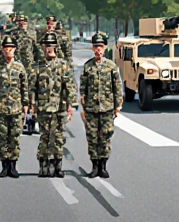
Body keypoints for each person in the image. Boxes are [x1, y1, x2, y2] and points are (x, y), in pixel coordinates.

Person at [80, 33, 122, 179]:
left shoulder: (111, 66)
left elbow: (117, 87)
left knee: (105, 137)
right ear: (93, 48)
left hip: (107, 107)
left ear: (104, 48)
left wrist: (118, 106)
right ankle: (94, 165)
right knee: (92, 138)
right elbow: (83, 88)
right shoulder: (88, 66)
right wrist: (83, 107)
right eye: (96, 47)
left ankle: (103, 166)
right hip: (91, 108)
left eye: (101, 47)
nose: (98, 49)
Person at [33, 32, 75, 177]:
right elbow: (33, 88)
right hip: (43, 107)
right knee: (44, 138)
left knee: (58, 138)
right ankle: (43, 165)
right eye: (46, 45)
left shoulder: (63, 65)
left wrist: (70, 106)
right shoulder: (38, 66)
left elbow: (69, 87)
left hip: (59, 108)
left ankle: (57, 166)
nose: (48, 48)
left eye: (51, 45)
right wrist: (32, 106)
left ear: (56, 47)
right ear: (43, 47)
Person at [0, 35, 29, 178]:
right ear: (2, 50)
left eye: (11, 48)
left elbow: (24, 87)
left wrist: (25, 104)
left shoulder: (20, 68)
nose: (8, 51)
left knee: (14, 137)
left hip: (16, 108)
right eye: (6, 48)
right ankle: (4, 165)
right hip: (1, 108)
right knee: (2, 138)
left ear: (15, 49)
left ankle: (13, 166)